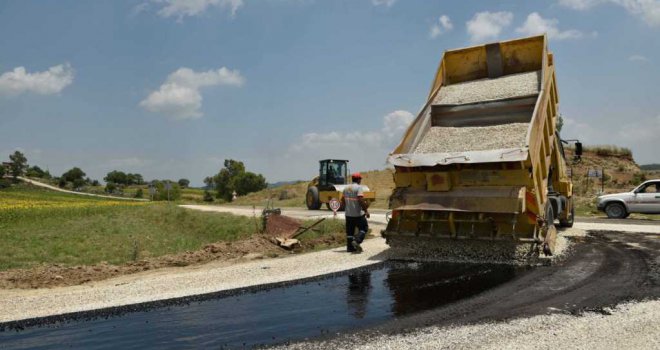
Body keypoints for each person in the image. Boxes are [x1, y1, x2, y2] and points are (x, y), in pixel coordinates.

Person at [341, 172, 370, 253]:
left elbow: (342, 200)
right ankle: (357, 241)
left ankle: (350, 248)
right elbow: (360, 200)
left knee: (350, 232)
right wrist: (366, 211)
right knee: (364, 228)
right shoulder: (358, 188)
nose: (360, 180)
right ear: (358, 179)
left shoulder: (346, 188)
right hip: (358, 214)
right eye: (360, 179)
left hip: (348, 214)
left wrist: (346, 208)